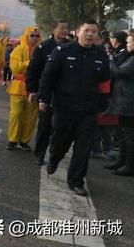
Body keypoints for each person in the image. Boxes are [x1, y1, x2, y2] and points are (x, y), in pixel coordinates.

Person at [38, 20, 110, 196]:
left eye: (94, 31)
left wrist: (103, 106)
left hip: (89, 110)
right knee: (60, 142)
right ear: (78, 32)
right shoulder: (63, 52)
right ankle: (55, 157)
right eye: (87, 30)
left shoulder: (101, 55)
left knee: (83, 148)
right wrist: (43, 99)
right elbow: (48, 78)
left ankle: (76, 181)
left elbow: (105, 84)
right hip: (64, 108)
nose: (90, 34)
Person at [26, 20, 69, 165]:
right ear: (53, 29)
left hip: (65, 95)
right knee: (45, 125)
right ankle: (40, 154)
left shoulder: (71, 47)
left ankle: (55, 154)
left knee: (61, 127)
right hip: (47, 93)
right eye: (62, 28)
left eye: (67, 29)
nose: (65, 31)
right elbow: (33, 70)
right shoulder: (43, 48)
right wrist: (32, 90)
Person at [6, 27, 41, 151]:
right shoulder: (17, 50)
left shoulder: (41, 51)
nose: (35, 38)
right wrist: (30, 63)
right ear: (26, 36)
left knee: (31, 117)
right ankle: (12, 140)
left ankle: (24, 141)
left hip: (35, 89)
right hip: (18, 87)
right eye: (32, 35)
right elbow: (15, 67)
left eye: (37, 36)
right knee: (16, 114)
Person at [105, 33, 134, 176]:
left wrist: (110, 59)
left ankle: (130, 165)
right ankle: (122, 161)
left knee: (129, 135)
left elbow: (119, 72)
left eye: (129, 43)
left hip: (130, 103)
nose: (127, 46)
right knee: (122, 133)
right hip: (124, 101)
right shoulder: (129, 56)